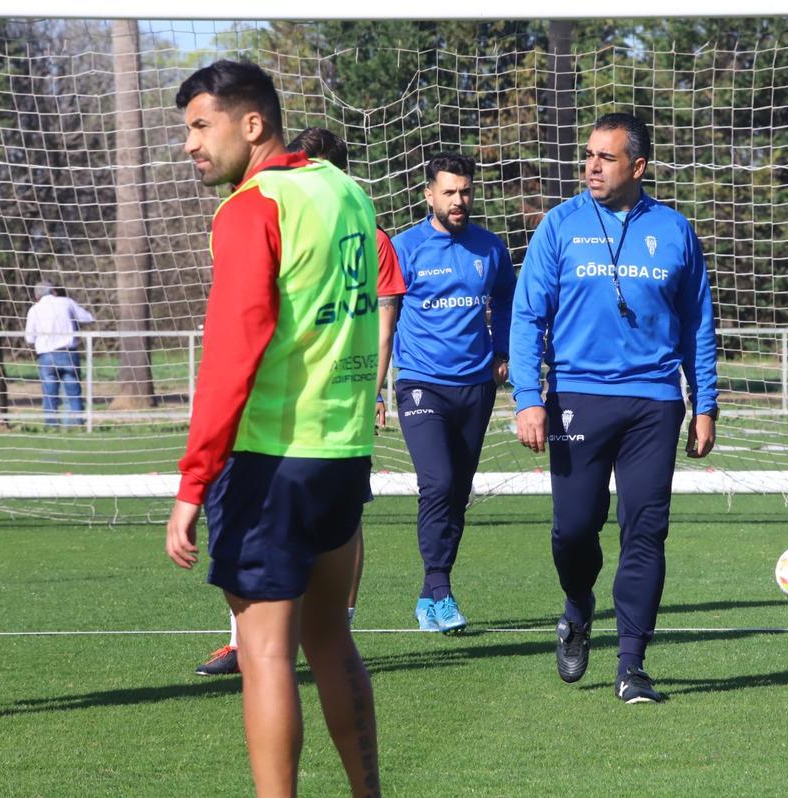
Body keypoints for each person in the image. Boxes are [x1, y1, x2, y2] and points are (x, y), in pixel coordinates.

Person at [165, 61, 382, 796]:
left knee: (263, 654)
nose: (189, 144)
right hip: (343, 453)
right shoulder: (348, 191)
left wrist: (193, 481)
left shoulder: (252, 208)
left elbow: (232, 353)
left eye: (200, 126)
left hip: (270, 459)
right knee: (330, 638)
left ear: (250, 124)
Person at [510, 112, 718, 704]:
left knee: (645, 531)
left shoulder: (674, 231)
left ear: (638, 166)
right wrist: (529, 399)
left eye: (605, 157)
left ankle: (633, 664)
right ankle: (578, 607)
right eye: (588, 155)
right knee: (574, 531)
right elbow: (527, 318)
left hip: (654, 402)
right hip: (576, 396)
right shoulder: (559, 226)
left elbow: (698, 324)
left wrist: (705, 404)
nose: (591, 167)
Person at [194, 126, 405, 678]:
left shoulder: (270, 209)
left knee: (276, 659)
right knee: (325, 643)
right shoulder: (353, 205)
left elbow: (380, 321)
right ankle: (252, 638)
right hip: (337, 433)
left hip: (289, 430)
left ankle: (281, 637)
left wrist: (372, 390)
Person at [384, 151, 516, 634]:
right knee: (437, 482)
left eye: (465, 191)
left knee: (457, 492)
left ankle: (430, 594)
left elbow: (505, 299)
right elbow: (383, 320)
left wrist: (502, 350)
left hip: (476, 386)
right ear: (428, 195)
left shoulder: (489, 248)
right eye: (449, 192)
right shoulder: (404, 249)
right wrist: (377, 388)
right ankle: (441, 591)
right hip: (421, 383)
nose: (459, 201)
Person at [24, 281, 94, 427]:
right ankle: (75, 425)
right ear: (53, 291)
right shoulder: (67, 302)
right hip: (68, 353)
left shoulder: (34, 309)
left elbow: (29, 338)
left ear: (36, 295)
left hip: (46, 356)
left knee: (49, 394)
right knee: (73, 392)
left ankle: (51, 426)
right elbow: (88, 318)